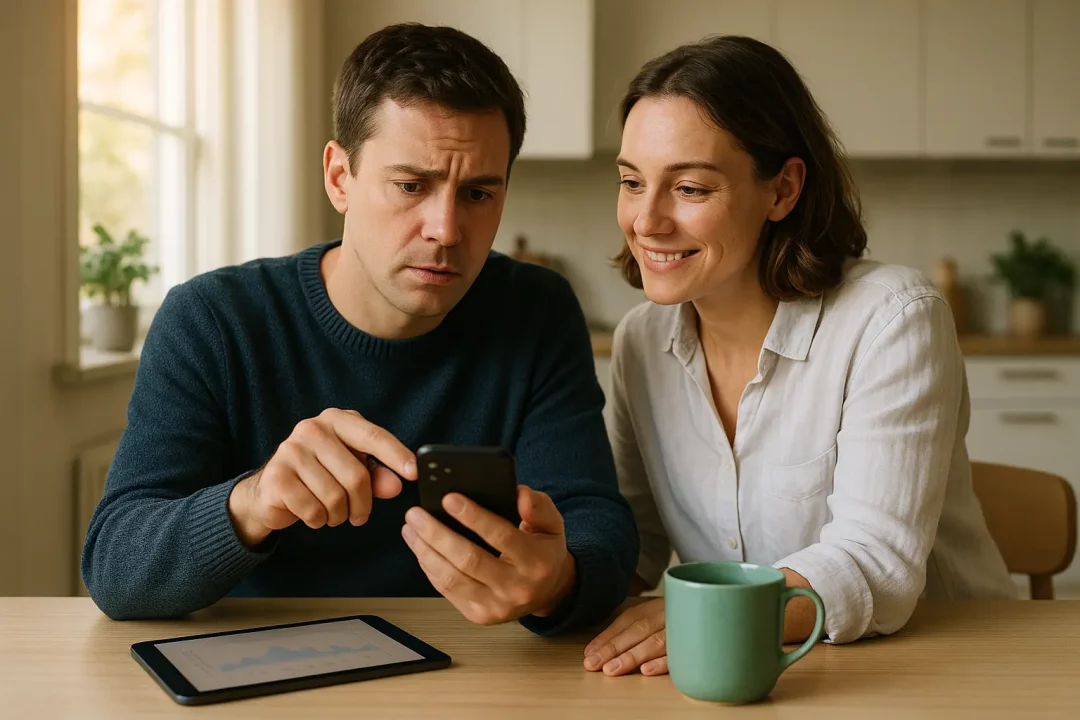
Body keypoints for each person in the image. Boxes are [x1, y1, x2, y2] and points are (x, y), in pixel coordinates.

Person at [80, 22, 638, 636]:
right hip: (265, 668)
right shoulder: (211, 319)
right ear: (339, 177)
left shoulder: (536, 309)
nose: (446, 230)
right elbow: (114, 566)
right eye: (410, 186)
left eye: (479, 194)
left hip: (468, 668)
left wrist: (558, 581)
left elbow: (596, 525)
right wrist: (254, 501)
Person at [582, 35, 1015, 677]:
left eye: (691, 188)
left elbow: (879, 568)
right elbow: (635, 549)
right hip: (746, 670)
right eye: (630, 182)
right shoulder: (642, 342)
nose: (646, 220)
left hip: (942, 669)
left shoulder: (892, 318)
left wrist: (710, 614)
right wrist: (555, 569)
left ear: (783, 189)